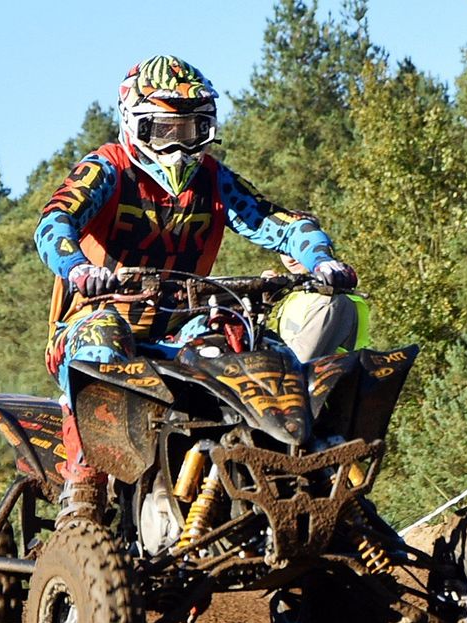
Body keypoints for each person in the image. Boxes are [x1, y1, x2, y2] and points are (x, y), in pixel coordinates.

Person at [34, 55, 360, 518]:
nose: (180, 146)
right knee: (101, 338)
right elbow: (54, 222)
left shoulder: (212, 178)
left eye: (194, 129)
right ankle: (85, 487)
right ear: (135, 124)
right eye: (166, 130)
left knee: (248, 339)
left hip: (179, 325)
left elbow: (275, 221)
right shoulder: (107, 169)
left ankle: (287, 467)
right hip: (94, 320)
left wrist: (321, 259)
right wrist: (79, 269)